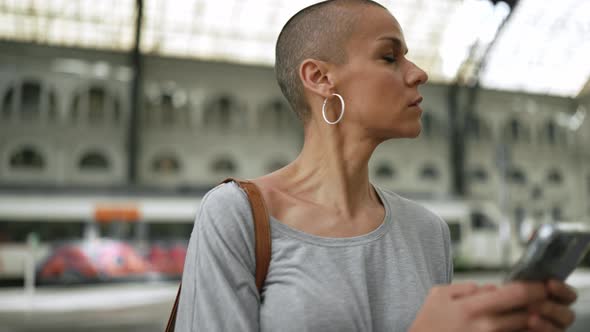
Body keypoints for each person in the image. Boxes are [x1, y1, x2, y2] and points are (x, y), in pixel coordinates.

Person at [175, 0, 577, 331]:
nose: (418, 73)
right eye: (389, 56)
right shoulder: (236, 214)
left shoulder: (427, 232)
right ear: (320, 77)